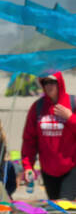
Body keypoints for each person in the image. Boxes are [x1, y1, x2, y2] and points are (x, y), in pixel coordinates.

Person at [20, 71, 76, 201]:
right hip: (48, 170)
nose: (49, 86)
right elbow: (29, 140)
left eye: (52, 82)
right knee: (55, 208)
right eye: (45, 82)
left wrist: (70, 118)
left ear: (60, 83)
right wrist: (28, 166)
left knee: (64, 206)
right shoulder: (38, 107)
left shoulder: (72, 103)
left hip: (71, 168)